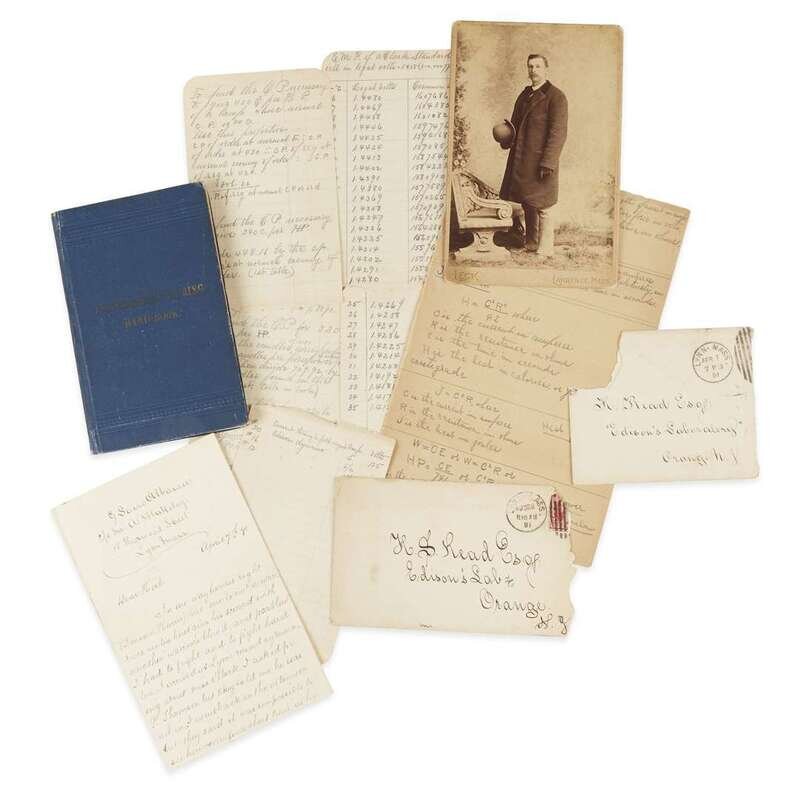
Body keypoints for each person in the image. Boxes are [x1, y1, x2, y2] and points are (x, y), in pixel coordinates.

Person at [498, 53, 568, 256]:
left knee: (544, 205)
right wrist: (504, 137)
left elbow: (558, 133)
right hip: (522, 160)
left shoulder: (556, 96)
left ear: (546, 69)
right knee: (528, 203)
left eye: (538, 66)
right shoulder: (525, 95)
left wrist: (548, 162)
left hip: (541, 162)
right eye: (530, 66)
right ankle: (530, 244)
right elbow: (514, 126)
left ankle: (545, 250)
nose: (533, 70)